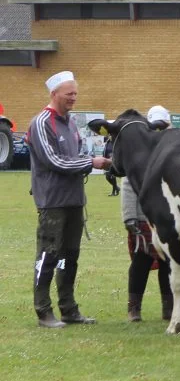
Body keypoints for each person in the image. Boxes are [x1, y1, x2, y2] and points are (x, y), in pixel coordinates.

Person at [29, 70, 111, 328]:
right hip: (53, 201)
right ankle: (43, 310)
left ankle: (69, 309)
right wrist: (90, 162)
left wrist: (97, 161)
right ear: (54, 94)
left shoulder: (71, 123)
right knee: (48, 255)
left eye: (75, 93)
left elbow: (75, 154)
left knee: (69, 255)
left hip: (75, 199)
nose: (73, 98)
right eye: (69, 94)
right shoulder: (42, 122)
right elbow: (53, 160)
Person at [122, 105, 174, 322]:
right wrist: (129, 217)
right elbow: (127, 184)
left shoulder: (173, 151)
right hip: (144, 218)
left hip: (167, 217)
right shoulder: (140, 154)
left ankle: (169, 309)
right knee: (141, 263)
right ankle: (134, 309)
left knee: (168, 263)